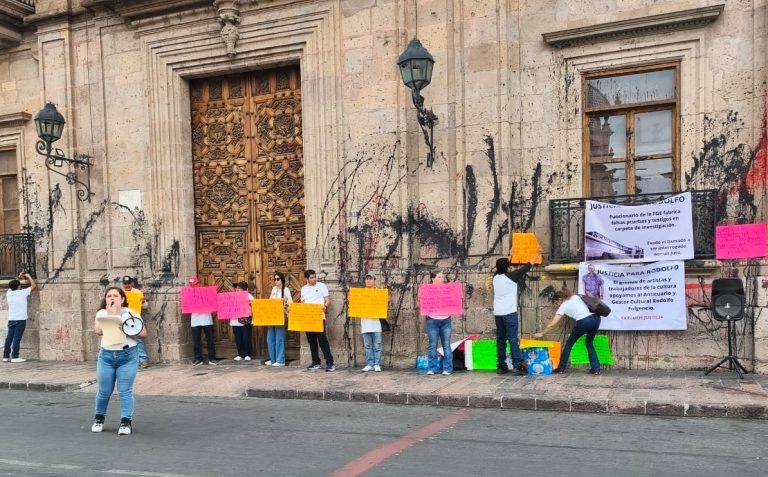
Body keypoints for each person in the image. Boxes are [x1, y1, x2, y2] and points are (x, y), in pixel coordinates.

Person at [91, 286, 147, 435]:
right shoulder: (101, 313)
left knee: (124, 391)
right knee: (104, 391)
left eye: (115, 296)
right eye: (109, 296)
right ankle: (99, 418)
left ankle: (126, 422)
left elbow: (143, 333)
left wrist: (127, 327)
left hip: (127, 355)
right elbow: (98, 331)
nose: (112, 298)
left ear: (122, 299)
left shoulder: (130, 314)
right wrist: (112, 315)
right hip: (107, 356)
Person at [535, 288, 602, 375]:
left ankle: (561, 368)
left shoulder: (563, 306)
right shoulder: (575, 296)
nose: (557, 305)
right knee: (589, 343)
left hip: (584, 321)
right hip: (596, 319)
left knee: (569, 344)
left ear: (559, 299)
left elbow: (552, 324)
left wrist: (542, 333)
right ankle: (596, 369)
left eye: (556, 303)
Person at [493, 257, 533, 375]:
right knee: (512, 339)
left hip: (498, 313)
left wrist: (509, 257)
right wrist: (536, 254)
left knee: (501, 339)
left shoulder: (495, 277)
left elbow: (502, 268)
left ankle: (501, 365)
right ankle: (517, 365)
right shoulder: (512, 276)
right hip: (509, 312)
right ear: (508, 267)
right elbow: (527, 266)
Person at [300, 269, 334, 371]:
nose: (314, 279)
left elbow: (328, 300)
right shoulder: (303, 289)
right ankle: (315, 362)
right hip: (308, 317)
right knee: (311, 341)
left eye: (315, 277)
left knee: (322, 340)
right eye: (311, 278)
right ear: (306, 279)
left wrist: (325, 306)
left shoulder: (322, 286)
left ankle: (330, 363)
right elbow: (302, 302)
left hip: (319, 316)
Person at [424, 270, 453, 376]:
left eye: (442, 276)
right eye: (440, 277)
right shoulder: (427, 289)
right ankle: (431, 368)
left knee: (446, 345)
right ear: (433, 279)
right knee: (432, 345)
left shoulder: (448, 289)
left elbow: (453, 301)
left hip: (446, 319)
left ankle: (448, 369)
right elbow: (422, 301)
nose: (442, 279)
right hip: (432, 320)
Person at [3, 272, 36, 363]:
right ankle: (15, 356)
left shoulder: (9, 293)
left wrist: (19, 277)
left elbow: (13, 285)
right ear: (18, 286)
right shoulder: (22, 293)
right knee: (17, 338)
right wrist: (28, 276)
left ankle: (5, 356)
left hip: (11, 319)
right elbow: (33, 285)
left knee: (9, 338)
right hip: (20, 319)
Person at [188, 276, 218, 365]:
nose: (195, 285)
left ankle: (212, 358)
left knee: (210, 340)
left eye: (197, 283)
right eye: (193, 284)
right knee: (196, 341)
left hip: (207, 319)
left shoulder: (207, 292)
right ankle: (198, 359)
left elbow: (213, 301)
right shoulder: (189, 294)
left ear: (199, 283)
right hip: (195, 320)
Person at [121, 276, 149, 368]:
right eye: (125, 284)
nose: (127, 286)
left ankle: (143, 360)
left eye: (128, 284)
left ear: (131, 283)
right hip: (124, 318)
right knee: (124, 341)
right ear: (123, 284)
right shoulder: (120, 293)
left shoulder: (138, 292)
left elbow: (145, 306)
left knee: (138, 339)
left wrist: (144, 302)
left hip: (136, 318)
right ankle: (130, 361)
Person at [267, 272, 291, 367]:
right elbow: (270, 300)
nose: (276, 281)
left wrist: (284, 301)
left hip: (281, 315)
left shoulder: (286, 289)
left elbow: (290, 302)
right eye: (275, 279)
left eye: (278, 279)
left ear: (282, 280)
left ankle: (280, 360)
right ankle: (272, 359)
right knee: (270, 338)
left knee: (279, 338)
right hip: (272, 315)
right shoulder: (274, 289)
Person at [359, 272, 383, 372]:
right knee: (368, 346)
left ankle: (377, 364)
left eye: (371, 279)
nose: (368, 281)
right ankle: (370, 363)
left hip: (376, 324)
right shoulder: (361, 293)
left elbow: (387, 300)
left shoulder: (379, 292)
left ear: (374, 280)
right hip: (365, 323)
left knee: (377, 345)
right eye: (367, 279)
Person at [231, 281, 253, 362]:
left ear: (244, 289)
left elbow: (253, 307)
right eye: (236, 288)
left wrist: (249, 304)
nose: (237, 289)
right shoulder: (232, 296)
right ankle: (240, 354)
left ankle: (247, 354)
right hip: (234, 321)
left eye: (239, 288)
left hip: (245, 321)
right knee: (238, 338)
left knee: (246, 338)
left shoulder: (249, 296)